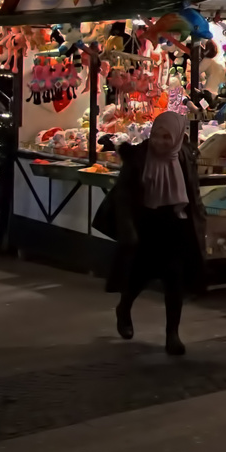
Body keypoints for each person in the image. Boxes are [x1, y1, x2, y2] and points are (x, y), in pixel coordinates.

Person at [95, 112, 202, 356]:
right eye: (156, 136)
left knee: (174, 280)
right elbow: (123, 194)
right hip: (144, 223)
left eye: (166, 137)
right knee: (138, 277)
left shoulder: (184, 156)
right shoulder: (139, 156)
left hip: (175, 224)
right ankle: (124, 308)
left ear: (176, 137)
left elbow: (193, 193)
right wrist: (127, 229)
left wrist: (200, 224)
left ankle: (172, 335)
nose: (160, 142)